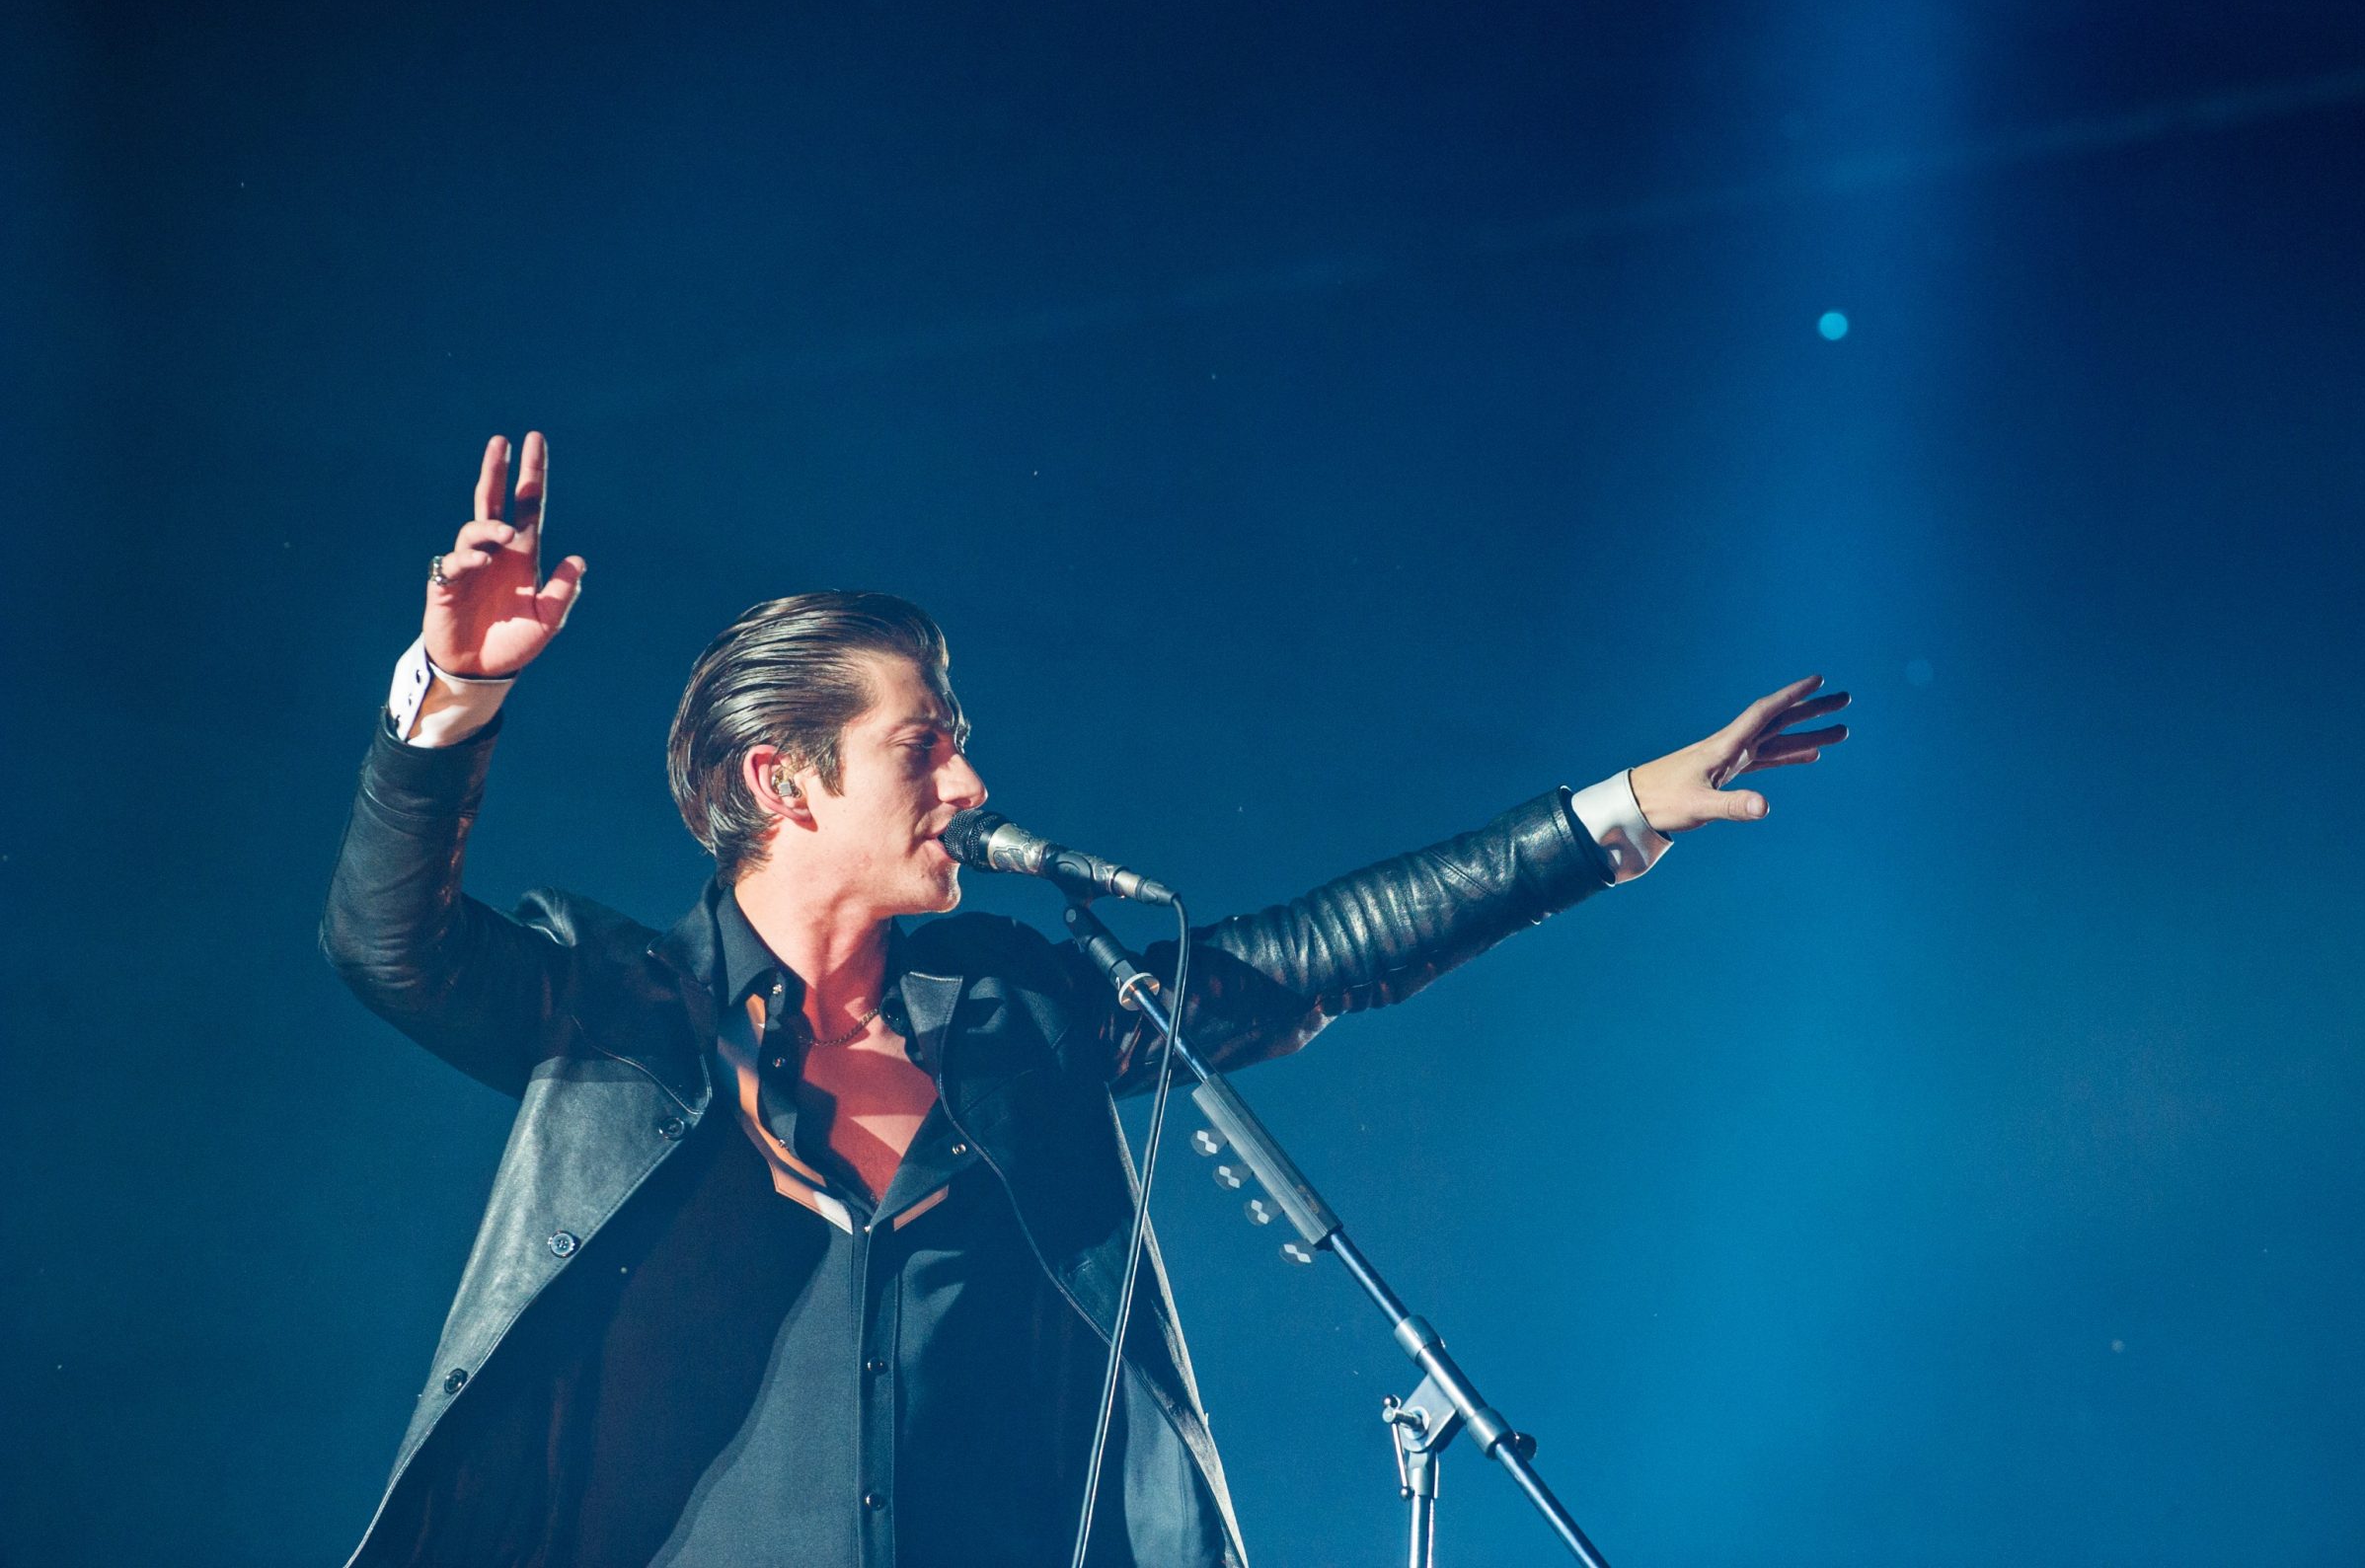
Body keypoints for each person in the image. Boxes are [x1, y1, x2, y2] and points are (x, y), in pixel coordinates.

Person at [322, 432, 1850, 1568]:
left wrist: (1609, 818)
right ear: (786, 783)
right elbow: (389, 944)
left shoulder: (1020, 1014)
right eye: (925, 748)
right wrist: (453, 698)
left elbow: (1306, 958)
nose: (970, 783)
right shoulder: (613, 1012)